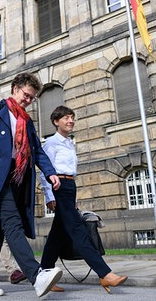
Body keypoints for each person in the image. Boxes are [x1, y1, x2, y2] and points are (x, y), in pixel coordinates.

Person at [0, 72, 63, 298]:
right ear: (15, 88)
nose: (28, 100)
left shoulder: (26, 121)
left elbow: (36, 151)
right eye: (26, 95)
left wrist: (50, 173)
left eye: (32, 98)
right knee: (12, 223)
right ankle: (37, 276)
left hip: (16, 179)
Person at [39, 106, 128, 294]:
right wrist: (49, 195)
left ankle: (44, 275)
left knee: (57, 235)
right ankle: (105, 274)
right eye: (66, 118)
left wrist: (72, 199)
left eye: (72, 118)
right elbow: (44, 171)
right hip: (58, 186)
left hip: (69, 187)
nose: (70, 121)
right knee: (78, 230)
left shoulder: (70, 143)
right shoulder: (51, 143)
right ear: (56, 121)